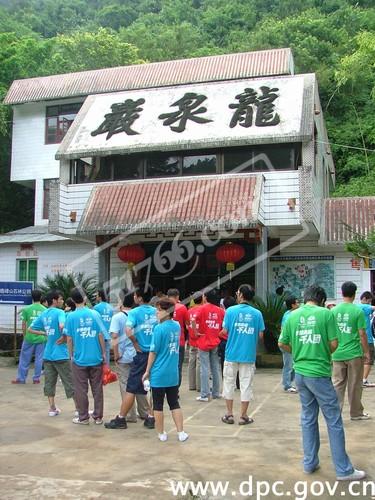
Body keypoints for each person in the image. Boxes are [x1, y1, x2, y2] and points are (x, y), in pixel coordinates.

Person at [279, 285, 366, 481]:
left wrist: (299, 351)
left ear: (304, 298)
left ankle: (310, 463)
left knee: (308, 418)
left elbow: (281, 343)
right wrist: (319, 350)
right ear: (322, 299)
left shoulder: (292, 316)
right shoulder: (326, 314)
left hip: (300, 374)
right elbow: (334, 343)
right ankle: (343, 470)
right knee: (333, 420)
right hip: (319, 373)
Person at [105, 284, 157, 430]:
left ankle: (121, 418)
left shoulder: (134, 313)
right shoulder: (156, 312)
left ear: (139, 298)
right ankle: (150, 417)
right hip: (155, 354)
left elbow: (128, 330)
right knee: (153, 387)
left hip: (140, 354)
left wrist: (135, 343)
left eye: (136, 295)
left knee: (131, 387)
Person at [142, 297, 189, 442]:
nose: (156, 313)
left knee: (158, 405)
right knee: (174, 403)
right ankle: (181, 432)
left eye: (159, 310)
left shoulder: (158, 329)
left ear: (166, 311)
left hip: (158, 373)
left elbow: (153, 352)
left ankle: (161, 433)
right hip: (172, 373)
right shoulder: (176, 326)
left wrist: (147, 371)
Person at [221, 285, 264, 425]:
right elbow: (261, 335)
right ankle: (244, 416)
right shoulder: (257, 314)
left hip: (231, 353)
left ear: (240, 295)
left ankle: (229, 414)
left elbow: (224, 331)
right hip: (248, 355)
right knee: (246, 385)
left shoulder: (230, 311)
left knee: (229, 383)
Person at [28, 290, 74, 417]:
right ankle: (78, 408)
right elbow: (62, 325)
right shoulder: (60, 312)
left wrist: (44, 333)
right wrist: (64, 336)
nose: (62, 301)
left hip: (48, 354)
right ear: (54, 300)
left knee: (49, 382)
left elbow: (30, 328)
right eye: (60, 299)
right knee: (70, 381)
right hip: (61, 354)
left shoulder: (44, 314)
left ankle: (52, 408)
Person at [65, 287, 106, 425]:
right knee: (97, 388)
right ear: (85, 298)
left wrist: (70, 355)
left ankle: (83, 417)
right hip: (96, 357)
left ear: (72, 300)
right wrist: (103, 352)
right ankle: (98, 417)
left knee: (80, 389)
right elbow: (100, 335)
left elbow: (69, 339)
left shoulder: (70, 316)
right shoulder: (95, 314)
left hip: (79, 359)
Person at [331, 282, 370, 420]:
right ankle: (356, 413)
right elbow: (362, 334)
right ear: (354, 294)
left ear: (342, 293)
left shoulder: (333, 311)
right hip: (354, 354)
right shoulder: (357, 311)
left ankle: (335, 413)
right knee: (355, 385)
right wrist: (366, 352)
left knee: (337, 385)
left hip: (336, 354)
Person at [110, 289, 148, 422]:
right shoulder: (139, 314)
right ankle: (145, 412)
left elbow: (114, 336)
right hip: (139, 354)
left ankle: (130, 414)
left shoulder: (117, 317)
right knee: (140, 383)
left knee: (126, 385)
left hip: (124, 356)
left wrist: (116, 355)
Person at [193, 288, 224, 402]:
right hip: (215, 341)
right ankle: (216, 392)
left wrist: (196, 332)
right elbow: (224, 325)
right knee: (215, 367)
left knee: (204, 368)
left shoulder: (201, 309)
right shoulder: (220, 311)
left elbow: (193, 319)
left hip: (203, 342)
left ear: (205, 297)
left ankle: (205, 394)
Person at [12, 289, 46, 384]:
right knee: (39, 359)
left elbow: (24, 324)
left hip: (29, 337)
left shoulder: (27, 309)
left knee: (24, 358)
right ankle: (36, 379)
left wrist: (25, 335)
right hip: (41, 337)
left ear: (32, 297)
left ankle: (21, 379)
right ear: (41, 297)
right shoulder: (45, 310)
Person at [167, 288, 188, 386]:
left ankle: (165, 387)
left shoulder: (163, 308)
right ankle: (175, 390)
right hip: (180, 341)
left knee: (166, 365)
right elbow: (187, 324)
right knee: (178, 366)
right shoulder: (182, 308)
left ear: (168, 296)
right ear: (177, 297)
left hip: (166, 342)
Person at [280, 295, 299, 393]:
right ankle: (287, 385)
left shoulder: (288, 313)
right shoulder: (290, 315)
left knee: (292, 364)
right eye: (297, 302)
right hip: (288, 344)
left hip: (291, 343)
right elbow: (285, 330)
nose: (298, 304)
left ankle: (290, 383)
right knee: (288, 365)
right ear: (292, 305)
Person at [358, 291, 375, 387]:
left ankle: (360, 379)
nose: (370, 303)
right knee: (369, 359)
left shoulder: (355, 307)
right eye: (369, 301)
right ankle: (363, 380)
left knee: (360, 360)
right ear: (364, 298)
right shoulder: (363, 307)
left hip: (357, 339)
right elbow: (372, 308)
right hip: (367, 338)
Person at [187, 292, 203, 392]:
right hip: (200, 338)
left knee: (191, 361)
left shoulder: (189, 311)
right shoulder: (203, 309)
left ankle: (191, 385)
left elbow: (187, 324)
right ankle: (199, 386)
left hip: (191, 338)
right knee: (199, 362)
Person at [93, 289, 114, 364]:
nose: (96, 297)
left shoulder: (96, 308)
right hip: (108, 335)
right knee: (106, 355)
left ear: (100, 296)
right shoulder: (111, 308)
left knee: (98, 354)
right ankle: (107, 372)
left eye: (97, 295)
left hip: (98, 335)